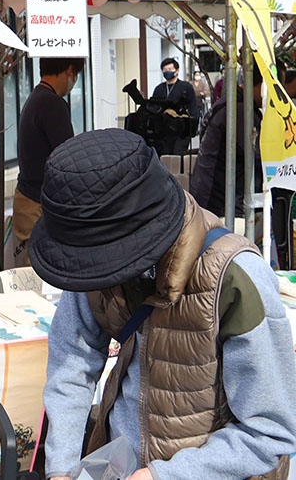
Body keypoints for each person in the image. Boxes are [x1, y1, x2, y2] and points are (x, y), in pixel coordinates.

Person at [29, 129, 296, 480]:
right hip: (117, 463)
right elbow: (72, 362)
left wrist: (165, 475)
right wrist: (61, 466)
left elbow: (272, 431)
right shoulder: (92, 255)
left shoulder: (236, 278)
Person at [13, 57, 84, 268]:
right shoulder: (52, 103)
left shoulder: (36, 98)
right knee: (43, 274)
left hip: (28, 199)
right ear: (69, 70)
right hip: (39, 204)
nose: (74, 82)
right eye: (76, 75)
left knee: (34, 269)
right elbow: (68, 156)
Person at [190, 66, 263, 219]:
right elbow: (256, 154)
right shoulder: (241, 111)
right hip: (219, 198)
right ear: (262, 86)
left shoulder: (232, 103)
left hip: (212, 192)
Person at [149, 58, 198, 155]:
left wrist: (193, 127)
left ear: (177, 71)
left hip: (182, 129)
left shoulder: (186, 87)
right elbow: (154, 107)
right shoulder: (159, 89)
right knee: (164, 154)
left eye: (170, 69)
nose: (167, 72)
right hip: (163, 130)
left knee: (178, 154)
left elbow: (193, 106)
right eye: (165, 70)